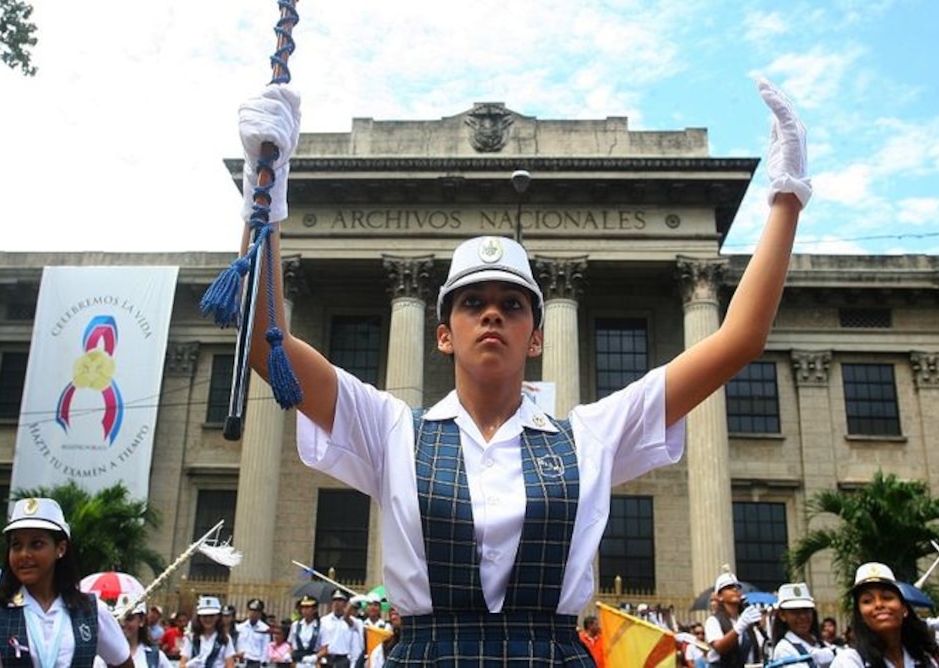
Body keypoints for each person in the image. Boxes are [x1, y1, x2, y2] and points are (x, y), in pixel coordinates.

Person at [237, 74, 810, 665]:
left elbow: (740, 340)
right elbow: (264, 344)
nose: (491, 315)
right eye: (471, 303)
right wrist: (266, 193)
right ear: (443, 334)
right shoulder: (390, 430)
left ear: (536, 338)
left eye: (511, 306)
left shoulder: (590, 436)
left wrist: (786, 197)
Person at [0, 497, 133, 667]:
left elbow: (123, 662)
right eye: (16, 545)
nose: (24, 554)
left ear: (60, 549)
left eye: (36, 544)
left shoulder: (91, 611)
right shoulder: (1, 609)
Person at [831, 562, 939, 668]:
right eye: (867, 601)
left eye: (887, 597)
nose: (879, 604)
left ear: (904, 609)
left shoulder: (926, 656)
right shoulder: (850, 661)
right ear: (860, 615)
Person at [705, 571, 765, 668]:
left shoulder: (747, 619)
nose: (734, 589)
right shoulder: (713, 621)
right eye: (729, 588)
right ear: (720, 596)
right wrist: (739, 627)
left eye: (737, 587)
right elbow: (720, 647)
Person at [770, 582, 837, 668]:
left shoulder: (822, 644)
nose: (803, 617)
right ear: (782, 615)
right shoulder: (783, 649)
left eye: (806, 610)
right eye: (795, 611)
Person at [94, 600, 174, 668]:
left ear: (142, 620)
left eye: (129, 619)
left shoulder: (155, 657)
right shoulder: (103, 657)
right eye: (119, 618)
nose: (123, 623)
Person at [180, 596, 236, 668]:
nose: (208, 619)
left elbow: (230, 665)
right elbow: (182, 665)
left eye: (211, 616)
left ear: (218, 617)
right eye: (204, 616)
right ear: (199, 617)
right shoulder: (191, 638)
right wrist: (189, 665)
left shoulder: (224, 638)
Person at [317, 590, 363, 668]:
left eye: (340, 600)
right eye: (334, 600)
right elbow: (319, 642)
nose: (336, 603)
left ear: (346, 603)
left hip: (343, 660)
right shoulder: (324, 621)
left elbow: (355, 645)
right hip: (327, 659)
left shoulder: (353, 621)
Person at [236, 598, 270, 667]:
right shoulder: (240, 627)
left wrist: (262, 663)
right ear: (248, 611)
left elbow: (265, 648)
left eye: (256, 612)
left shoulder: (264, 629)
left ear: (260, 614)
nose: (253, 614)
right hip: (240, 661)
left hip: (255, 662)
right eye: (251, 611)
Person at [288, 596, 320, 664]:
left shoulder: (321, 626)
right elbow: (290, 644)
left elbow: (325, 648)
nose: (305, 610)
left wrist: (315, 657)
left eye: (308, 607)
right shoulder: (295, 625)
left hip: (313, 659)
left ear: (315, 609)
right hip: (297, 659)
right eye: (303, 607)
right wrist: (289, 654)